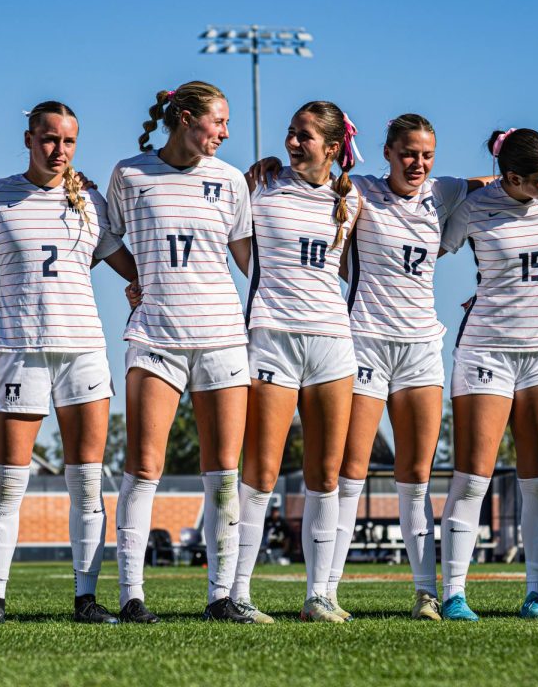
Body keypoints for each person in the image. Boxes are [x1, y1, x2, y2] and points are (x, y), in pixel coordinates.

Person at [0, 100, 137, 624]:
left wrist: (145, 287)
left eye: (68, 141)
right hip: (18, 352)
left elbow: (130, 266)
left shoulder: (93, 203)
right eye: (48, 139)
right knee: (9, 483)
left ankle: (86, 598)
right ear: (29, 139)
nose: (58, 150)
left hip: (82, 349)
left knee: (86, 481)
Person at [107, 82, 253, 624]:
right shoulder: (130, 173)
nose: (225, 133)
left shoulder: (231, 180)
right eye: (218, 122)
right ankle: (131, 595)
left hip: (221, 337)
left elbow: (248, 261)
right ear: (186, 118)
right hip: (154, 338)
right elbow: (105, 238)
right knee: (144, 465)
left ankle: (222, 596)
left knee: (223, 471)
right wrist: (137, 278)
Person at [437, 128, 538, 621]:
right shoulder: (475, 208)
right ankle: (454, 595)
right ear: (514, 177)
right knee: (471, 479)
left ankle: (536, 597)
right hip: (486, 350)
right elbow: (428, 249)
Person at [232, 100, 361, 623]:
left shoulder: (353, 198)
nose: (291, 143)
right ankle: (237, 592)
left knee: (325, 475)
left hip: (332, 342)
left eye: (304, 136)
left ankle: (319, 596)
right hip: (271, 339)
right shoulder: (259, 186)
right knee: (260, 470)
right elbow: (232, 242)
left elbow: (423, 184)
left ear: (332, 147)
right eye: (290, 133)